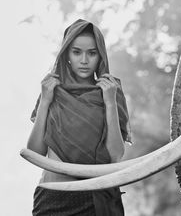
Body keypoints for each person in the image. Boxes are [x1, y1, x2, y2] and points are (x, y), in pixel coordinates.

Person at [27, 19, 131, 215]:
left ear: (100, 55)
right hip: (52, 197)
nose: (84, 60)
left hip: (98, 197)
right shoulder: (50, 90)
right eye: (77, 52)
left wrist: (109, 102)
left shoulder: (111, 90)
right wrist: (45, 102)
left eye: (92, 53)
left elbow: (115, 155)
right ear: (66, 54)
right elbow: (35, 151)